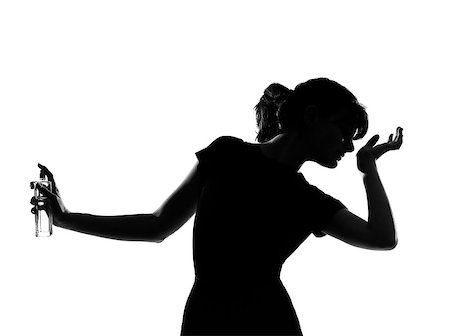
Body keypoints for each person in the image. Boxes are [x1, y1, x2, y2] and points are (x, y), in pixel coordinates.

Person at [31, 78, 403, 335]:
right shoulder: (227, 153)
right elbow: (156, 226)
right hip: (207, 320)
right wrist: (64, 219)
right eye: (343, 131)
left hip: (267, 323)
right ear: (311, 116)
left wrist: (369, 171)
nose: (349, 146)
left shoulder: (308, 199)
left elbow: (383, 238)